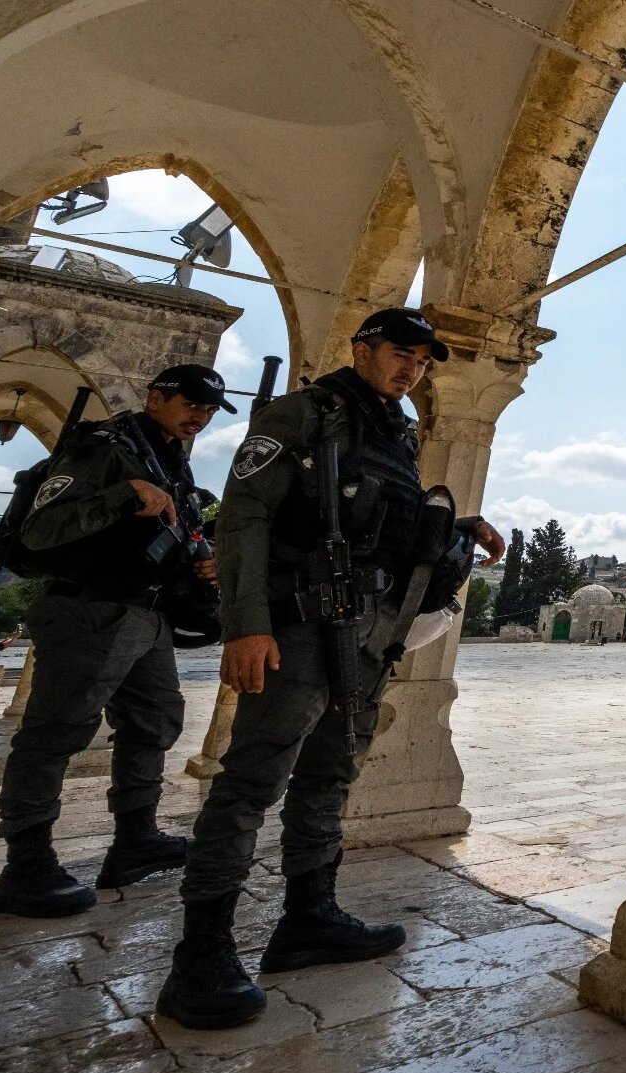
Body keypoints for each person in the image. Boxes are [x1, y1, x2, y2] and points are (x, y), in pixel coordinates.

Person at [157, 309, 504, 1031]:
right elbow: (244, 517)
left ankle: (309, 916)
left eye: (423, 361)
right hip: (298, 628)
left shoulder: (393, 432)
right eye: (400, 354)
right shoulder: (304, 414)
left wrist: (458, 528)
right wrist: (245, 625)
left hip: (367, 632)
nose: (412, 369)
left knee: (330, 775)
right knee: (252, 780)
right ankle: (201, 952)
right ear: (362, 350)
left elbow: (386, 524)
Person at [0, 366, 229, 918]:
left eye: (210, 411)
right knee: (56, 732)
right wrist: (123, 494)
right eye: (191, 404)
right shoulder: (105, 449)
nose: (200, 417)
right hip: (87, 608)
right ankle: (25, 863)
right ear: (156, 397)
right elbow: (41, 530)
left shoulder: (170, 458)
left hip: (146, 613)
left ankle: (135, 839)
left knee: (156, 721)